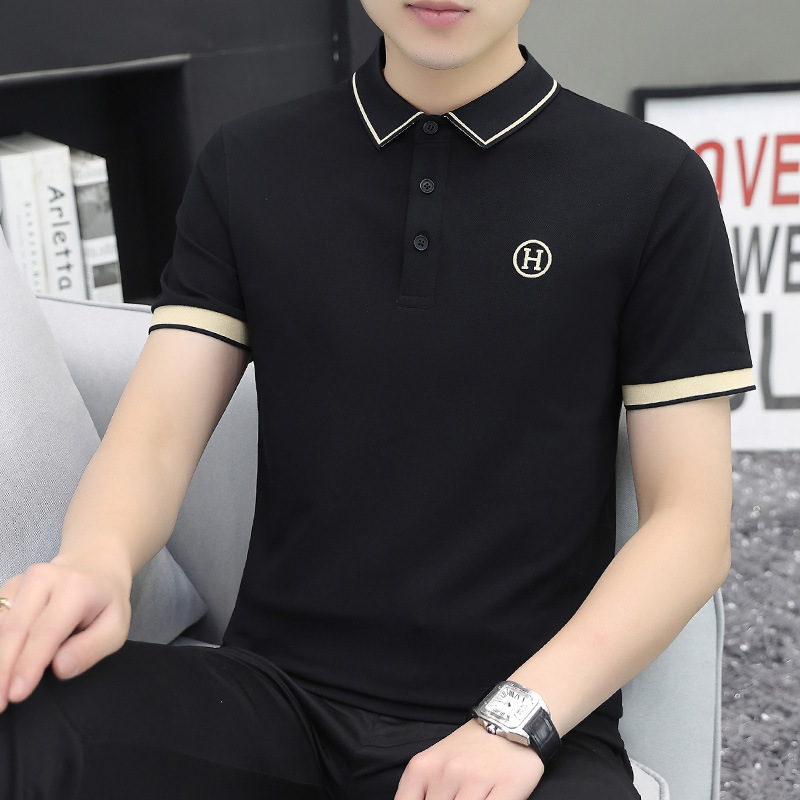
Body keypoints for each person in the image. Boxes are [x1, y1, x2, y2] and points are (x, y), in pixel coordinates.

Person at [0, 1, 754, 798]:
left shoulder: (651, 184)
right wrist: (95, 561)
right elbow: (155, 438)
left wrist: (516, 720)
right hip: (270, 702)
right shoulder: (249, 162)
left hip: (526, 724)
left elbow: (691, 526)